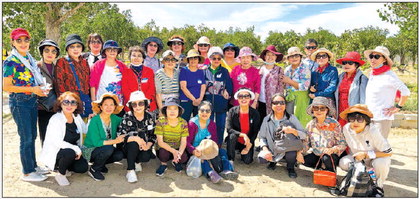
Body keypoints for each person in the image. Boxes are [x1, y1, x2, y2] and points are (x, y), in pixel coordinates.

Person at [3, 28, 49, 181]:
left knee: (32, 135)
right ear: (13, 42)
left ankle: (33, 166)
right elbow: (6, 87)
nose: (23, 43)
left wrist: (40, 89)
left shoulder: (28, 58)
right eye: (19, 40)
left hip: (31, 101)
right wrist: (32, 89)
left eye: (26, 40)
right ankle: (27, 172)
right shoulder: (11, 61)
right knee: (26, 137)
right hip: (19, 102)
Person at [339, 104, 392, 191]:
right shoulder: (346, 128)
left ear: (366, 121)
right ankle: (358, 178)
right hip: (358, 159)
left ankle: (378, 185)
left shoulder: (373, 131)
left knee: (381, 163)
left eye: (360, 119)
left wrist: (366, 154)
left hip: (374, 159)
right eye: (352, 119)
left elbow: (388, 152)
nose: (355, 122)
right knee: (343, 162)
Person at [39, 91, 89, 186]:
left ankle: (66, 167)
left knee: (82, 168)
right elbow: (57, 142)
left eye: (73, 102)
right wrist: (76, 149)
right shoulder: (56, 119)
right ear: (60, 104)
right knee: (69, 152)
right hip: (58, 153)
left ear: (77, 105)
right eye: (66, 102)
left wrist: (93, 120)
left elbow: (85, 130)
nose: (69, 105)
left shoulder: (76, 117)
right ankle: (60, 174)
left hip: (73, 152)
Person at [364, 46, 410, 139]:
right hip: (369, 116)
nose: (373, 59)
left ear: (384, 59)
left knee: (380, 148)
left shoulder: (389, 75)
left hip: (382, 118)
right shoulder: (372, 73)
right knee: (370, 147)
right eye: (371, 56)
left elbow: (405, 91)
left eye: (377, 57)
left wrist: (398, 107)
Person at [186, 101, 238, 183]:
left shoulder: (212, 124)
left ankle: (226, 170)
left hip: (208, 147)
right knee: (202, 158)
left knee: (222, 151)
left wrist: (213, 149)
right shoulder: (192, 123)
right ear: (198, 111)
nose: (204, 113)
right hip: (196, 149)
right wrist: (193, 150)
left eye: (207, 111)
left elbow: (214, 140)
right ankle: (210, 173)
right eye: (202, 110)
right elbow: (187, 142)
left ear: (210, 113)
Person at [258, 93, 306, 178]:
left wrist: (293, 131)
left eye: (282, 102)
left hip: (288, 148)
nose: (279, 105)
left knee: (291, 153)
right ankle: (273, 161)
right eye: (275, 103)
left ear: (285, 105)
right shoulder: (266, 119)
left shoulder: (292, 118)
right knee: (262, 158)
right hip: (273, 149)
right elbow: (262, 137)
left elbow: (304, 135)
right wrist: (265, 150)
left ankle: (291, 167)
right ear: (271, 105)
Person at [83, 93, 126, 181]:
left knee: (119, 155)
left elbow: (126, 121)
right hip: (91, 150)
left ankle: (101, 164)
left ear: (114, 107)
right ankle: (94, 169)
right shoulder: (95, 120)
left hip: (105, 148)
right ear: (101, 107)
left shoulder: (115, 118)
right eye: (105, 104)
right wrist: (116, 141)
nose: (109, 107)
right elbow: (96, 143)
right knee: (109, 148)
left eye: (111, 105)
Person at [302, 97, 346, 179]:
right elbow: (306, 143)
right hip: (317, 153)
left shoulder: (333, 123)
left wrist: (332, 149)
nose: (319, 111)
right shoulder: (310, 125)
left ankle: (331, 177)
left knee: (326, 158)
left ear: (327, 110)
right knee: (305, 161)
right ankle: (321, 168)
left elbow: (342, 143)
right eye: (316, 108)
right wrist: (299, 153)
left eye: (322, 108)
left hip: (330, 154)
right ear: (312, 110)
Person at [90, 40, 137, 118]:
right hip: (102, 103)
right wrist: (94, 103)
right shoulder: (97, 65)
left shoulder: (122, 66)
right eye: (109, 50)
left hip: (118, 105)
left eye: (115, 50)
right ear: (105, 52)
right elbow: (92, 85)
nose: (112, 52)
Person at [117, 91, 156, 183]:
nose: (138, 106)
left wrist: (148, 146)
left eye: (141, 103)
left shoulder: (150, 117)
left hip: (144, 145)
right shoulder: (127, 116)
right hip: (128, 146)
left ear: (145, 104)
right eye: (134, 104)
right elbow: (120, 135)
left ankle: (136, 161)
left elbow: (153, 136)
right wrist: (135, 138)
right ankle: (130, 170)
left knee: (146, 157)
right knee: (133, 143)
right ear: (131, 106)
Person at [55, 34, 91, 118]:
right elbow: (59, 84)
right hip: (70, 103)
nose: (75, 49)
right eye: (72, 46)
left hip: (85, 101)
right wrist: (64, 103)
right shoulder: (62, 62)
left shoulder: (85, 62)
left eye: (78, 46)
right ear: (67, 49)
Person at [203, 46, 233, 145]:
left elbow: (229, 86)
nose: (216, 60)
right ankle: (208, 144)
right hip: (207, 104)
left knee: (220, 126)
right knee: (208, 125)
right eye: (213, 58)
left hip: (221, 104)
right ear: (209, 58)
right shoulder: (204, 71)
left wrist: (227, 93)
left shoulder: (224, 71)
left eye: (219, 58)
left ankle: (218, 144)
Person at [154, 98, 189, 176]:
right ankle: (163, 164)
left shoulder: (183, 122)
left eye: (175, 109)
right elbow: (160, 142)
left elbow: (183, 142)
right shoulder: (161, 121)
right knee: (163, 154)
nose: (172, 111)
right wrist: (173, 151)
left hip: (177, 146)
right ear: (165, 110)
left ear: (179, 111)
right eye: (169, 109)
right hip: (164, 147)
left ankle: (175, 161)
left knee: (183, 158)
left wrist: (179, 154)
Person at [225, 88, 261, 165]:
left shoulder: (255, 113)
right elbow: (229, 129)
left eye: (246, 96)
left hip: (247, 142)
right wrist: (242, 135)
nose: (243, 98)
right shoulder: (232, 111)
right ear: (237, 98)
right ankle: (230, 159)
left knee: (248, 161)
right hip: (235, 140)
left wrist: (249, 145)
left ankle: (243, 152)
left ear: (250, 98)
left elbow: (255, 132)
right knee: (232, 136)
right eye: (241, 96)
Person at [335, 51, 368, 127]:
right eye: (344, 62)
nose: (346, 65)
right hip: (340, 112)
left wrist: (361, 115)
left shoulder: (362, 79)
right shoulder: (340, 77)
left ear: (356, 65)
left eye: (350, 63)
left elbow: (363, 99)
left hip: (353, 114)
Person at [37, 39, 60, 145]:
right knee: (45, 136)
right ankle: (47, 161)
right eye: (47, 50)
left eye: (53, 51)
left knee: (56, 135)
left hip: (57, 107)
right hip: (42, 108)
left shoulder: (58, 68)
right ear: (42, 52)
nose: (50, 53)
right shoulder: (35, 67)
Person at [282, 47, 312, 127]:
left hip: (301, 98)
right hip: (289, 97)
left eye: (296, 55)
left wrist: (289, 81)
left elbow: (305, 86)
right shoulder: (287, 69)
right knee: (289, 120)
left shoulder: (305, 68)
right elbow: (285, 85)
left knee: (301, 120)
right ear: (288, 59)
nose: (294, 58)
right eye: (291, 56)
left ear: (300, 57)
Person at [123, 46, 157, 112]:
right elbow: (125, 89)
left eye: (139, 56)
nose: (136, 58)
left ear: (143, 58)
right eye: (133, 55)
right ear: (130, 57)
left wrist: (143, 101)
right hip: (132, 106)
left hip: (148, 105)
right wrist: (135, 102)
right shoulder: (125, 72)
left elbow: (152, 88)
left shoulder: (149, 71)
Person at [258, 45, 285, 120]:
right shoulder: (260, 69)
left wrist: (279, 103)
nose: (270, 57)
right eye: (268, 54)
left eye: (273, 55)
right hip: (260, 102)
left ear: (276, 57)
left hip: (274, 103)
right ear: (265, 56)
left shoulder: (279, 70)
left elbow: (281, 88)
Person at [179, 49, 207, 121]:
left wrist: (200, 99)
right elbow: (183, 87)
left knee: (198, 123)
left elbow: (203, 86)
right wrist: (194, 100)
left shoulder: (200, 72)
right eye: (191, 58)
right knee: (184, 123)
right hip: (186, 101)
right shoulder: (184, 70)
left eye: (195, 58)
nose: (193, 60)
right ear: (188, 60)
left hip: (199, 101)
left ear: (198, 60)